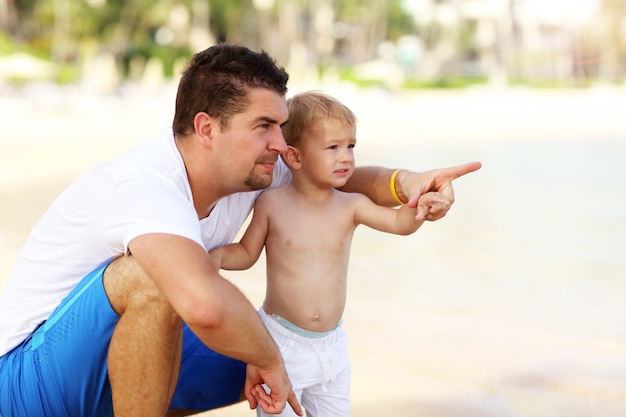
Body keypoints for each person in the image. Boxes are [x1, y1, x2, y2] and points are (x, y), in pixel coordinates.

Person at [0, 44, 481, 417]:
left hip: (102, 367)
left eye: (283, 126)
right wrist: (268, 355)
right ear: (207, 128)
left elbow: (334, 176)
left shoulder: (255, 169)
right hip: (27, 382)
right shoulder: (144, 186)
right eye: (265, 126)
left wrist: (406, 185)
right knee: (160, 281)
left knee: (287, 351)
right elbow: (206, 306)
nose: (280, 142)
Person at [208, 91, 451, 417]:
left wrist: (421, 208)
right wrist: (218, 256)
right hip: (281, 343)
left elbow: (398, 222)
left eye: (350, 146)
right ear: (294, 157)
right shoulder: (273, 204)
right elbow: (247, 252)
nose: (346, 157)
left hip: (332, 347)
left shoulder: (351, 205)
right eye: (333, 147)